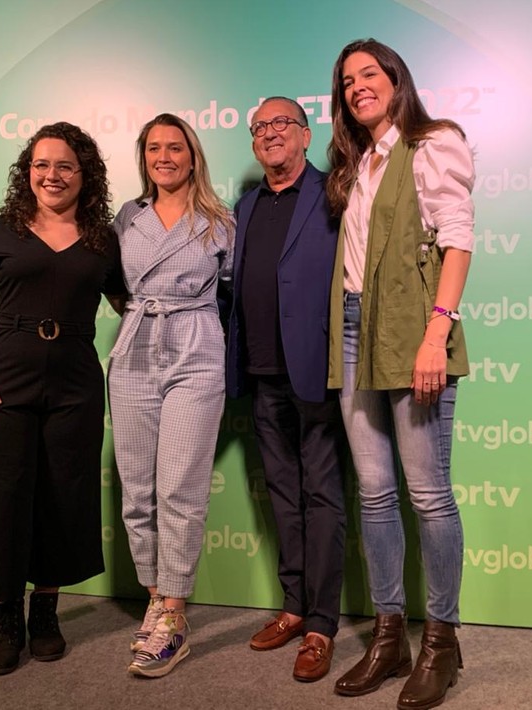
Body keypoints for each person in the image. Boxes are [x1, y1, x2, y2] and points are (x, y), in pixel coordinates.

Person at [325, 39, 476, 710]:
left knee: (428, 494)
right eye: (347, 80)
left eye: (369, 74)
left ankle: (441, 641)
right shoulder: (358, 164)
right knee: (375, 493)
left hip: (414, 330)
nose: (359, 86)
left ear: (395, 80)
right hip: (356, 329)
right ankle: (389, 636)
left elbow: (458, 237)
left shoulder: (432, 142)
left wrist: (436, 333)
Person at [0, 122, 124, 675]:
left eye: (64, 166)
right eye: (41, 165)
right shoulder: (1, 229)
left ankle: (46, 613)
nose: (51, 175)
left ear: (85, 175)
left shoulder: (102, 238)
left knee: (62, 493)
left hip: (75, 381)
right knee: (3, 497)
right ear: (27, 172)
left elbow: (134, 303)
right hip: (4, 378)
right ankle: (7, 621)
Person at [108, 113, 234, 679]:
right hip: (135, 349)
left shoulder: (218, 220)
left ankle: (176, 614)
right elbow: (116, 287)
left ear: (192, 155)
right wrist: (143, 316)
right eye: (154, 148)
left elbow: (232, 293)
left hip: (197, 350)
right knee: (137, 487)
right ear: (144, 157)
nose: (165, 156)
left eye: (175, 147)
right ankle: (156, 599)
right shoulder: (127, 218)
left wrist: (196, 326)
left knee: (179, 487)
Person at [225, 97, 346, 682]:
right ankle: (294, 607)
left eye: (281, 125)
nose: (270, 134)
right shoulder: (245, 206)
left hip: (316, 372)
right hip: (262, 370)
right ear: (254, 144)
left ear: (305, 135)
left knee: (322, 495)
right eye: (260, 128)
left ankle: (322, 624)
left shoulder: (333, 195)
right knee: (282, 494)